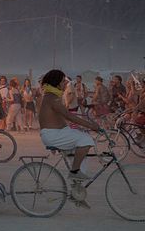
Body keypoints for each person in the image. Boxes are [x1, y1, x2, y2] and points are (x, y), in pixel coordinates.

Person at [38, 69, 102, 205]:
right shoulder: (52, 98)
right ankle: (74, 172)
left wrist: (86, 124)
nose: (65, 83)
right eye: (62, 81)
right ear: (56, 82)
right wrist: (91, 125)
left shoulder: (52, 95)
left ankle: (76, 192)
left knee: (82, 156)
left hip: (60, 132)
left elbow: (65, 116)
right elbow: (69, 116)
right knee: (86, 140)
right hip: (54, 134)